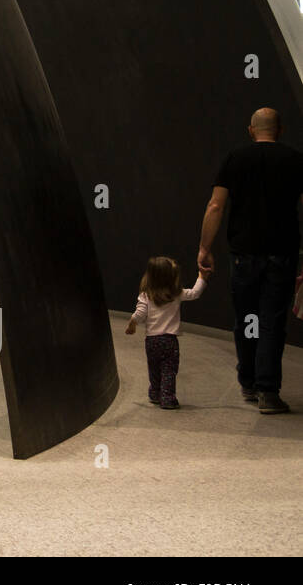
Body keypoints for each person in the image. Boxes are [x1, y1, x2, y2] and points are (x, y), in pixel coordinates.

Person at [198, 107, 303, 413]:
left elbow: (215, 206)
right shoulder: (296, 160)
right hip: (282, 254)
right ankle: (268, 392)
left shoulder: (235, 159)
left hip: (244, 254)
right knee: (272, 321)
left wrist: (204, 248)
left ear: (251, 130)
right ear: (280, 130)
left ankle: (248, 382)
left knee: (247, 319)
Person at [124, 257, 206, 409]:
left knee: (154, 367)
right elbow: (195, 293)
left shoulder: (145, 296)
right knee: (169, 369)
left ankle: (155, 393)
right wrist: (202, 277)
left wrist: (132, 325)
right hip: (169, 340)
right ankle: (167, 397)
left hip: (151, 341)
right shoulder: (176, 294)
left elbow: (139, 314)